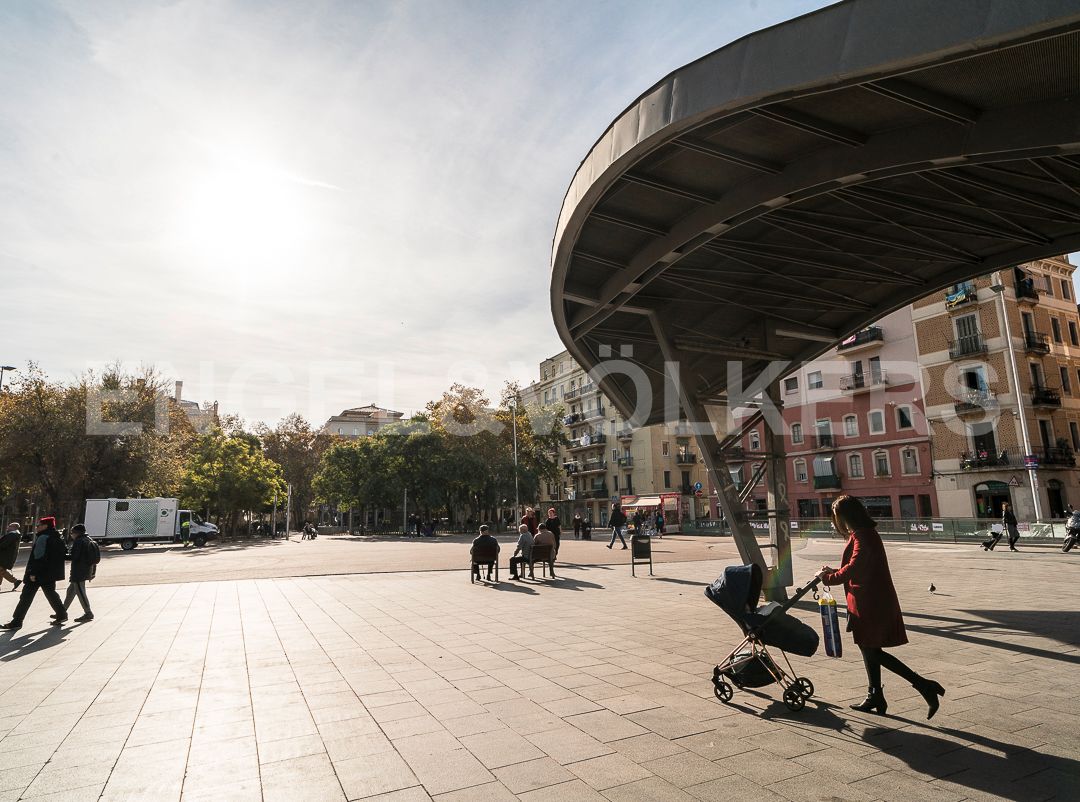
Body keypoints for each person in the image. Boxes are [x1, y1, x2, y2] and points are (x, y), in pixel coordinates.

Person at [818, 496, 945, 719]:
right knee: (869, 649)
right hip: (868, 600)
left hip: (871, 602)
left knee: (872, 650)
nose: (837, 523)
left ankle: (924, 685)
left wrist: (829, 578)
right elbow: (857, 565)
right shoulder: (863, 533)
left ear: (846, 516)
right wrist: (833, 571)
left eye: (837, 517)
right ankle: (875, 694)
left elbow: (855, 568)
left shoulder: (863, 536)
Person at [2, 517, 68, 631]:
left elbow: (39, 557)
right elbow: (63, 553)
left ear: (45, 526)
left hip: (38, 574)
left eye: (38, 525)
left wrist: (33, 573)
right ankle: (62, 615)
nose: (36, 527)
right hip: (50, 573)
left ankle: (17, 621)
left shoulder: (43, 537)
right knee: (51, 594)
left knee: (26, 597)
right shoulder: (57, 537)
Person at [61, 524, 96, 622]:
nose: (71, 535)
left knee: (81, 592)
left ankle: (88, 613)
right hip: (85, 570)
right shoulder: (88, 539)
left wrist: (63, 555)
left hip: (79, 571)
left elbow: (75, 557)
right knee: (71, 592)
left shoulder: (79, 541)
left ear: (76, 533)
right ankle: (62, 612)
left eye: (72, 533)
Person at [0, 523, 22, 591]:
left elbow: (3, 545)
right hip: (7, 556)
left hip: (5, 556)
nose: (7, 527)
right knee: (1, 570)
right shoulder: (13, 534)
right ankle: (15, 582)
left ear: (14, 527)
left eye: (9, 526)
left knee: (1, 570)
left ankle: (15, 581)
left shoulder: (13, 534)